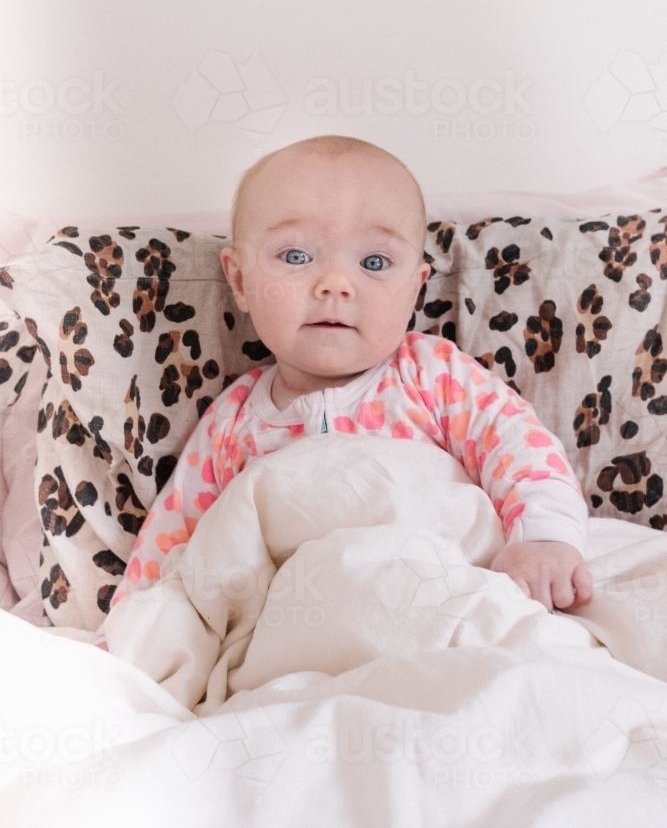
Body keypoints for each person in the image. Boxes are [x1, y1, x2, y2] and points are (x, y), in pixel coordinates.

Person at [110, 134, 594, 618]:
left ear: (414, 290)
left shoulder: (433, 376)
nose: (335, 285)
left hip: (447, 599)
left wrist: (546, 538)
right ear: (240, 281)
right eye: (296, 257)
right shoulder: (231, 425)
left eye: (374, 262)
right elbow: (170, 545)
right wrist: (134, 631)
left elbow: (520, 448)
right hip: (301, 626)